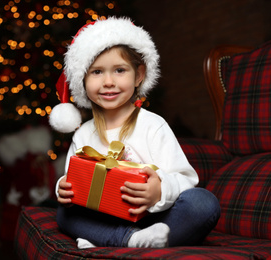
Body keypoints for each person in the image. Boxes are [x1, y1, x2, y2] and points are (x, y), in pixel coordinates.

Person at [49, 17, 220, 249]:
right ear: (83, 80)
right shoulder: (84, 134)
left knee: (203, 203)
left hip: (155, 218)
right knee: (64, 213)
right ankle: (130, 240)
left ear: (138, 75)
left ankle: (118, 240)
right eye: (97, 72)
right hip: (105, 217)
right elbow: (73, 179)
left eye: (119, 70)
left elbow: (186, 180)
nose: (108, 82)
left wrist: (158, 191)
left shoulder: (153, 125)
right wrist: (65, 187)